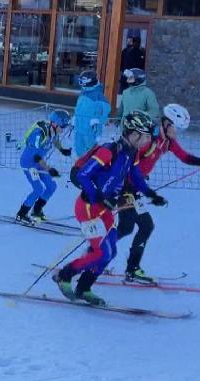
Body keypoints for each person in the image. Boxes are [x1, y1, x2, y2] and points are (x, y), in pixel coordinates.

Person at [54, 111, 167, 306]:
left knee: (111, 251)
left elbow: (137, 178)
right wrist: (98, 196)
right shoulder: (109, 150)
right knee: (101, 253)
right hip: (88, 207)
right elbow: (83, 176)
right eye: (146, 136)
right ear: (133, 134)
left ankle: (84, 288)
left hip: (104, 209)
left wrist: (152, 195)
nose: (148, 140)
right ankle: (65, 275)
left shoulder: (131, 154)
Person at [116, 104, 200, 283]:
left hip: (136, 189)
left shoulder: (167, 141)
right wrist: (147, 192)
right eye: (175, 128)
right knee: (126, 228)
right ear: (166, 124)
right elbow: (129, 163)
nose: (177, 133)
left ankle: (132, 268)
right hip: (125, 187)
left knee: (145, 226)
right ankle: (96, 255)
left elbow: (184, 156)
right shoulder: (149, 139)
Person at [15, 109, 72, 224]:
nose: (64, 129)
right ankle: (21, 213)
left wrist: (62, 150)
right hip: (29, 163)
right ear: (55, 123)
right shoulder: (38, 134)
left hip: (39, 163)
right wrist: (49, 169)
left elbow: (54, 140)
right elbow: (36, 156)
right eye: (63, 126)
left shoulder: (53, 130)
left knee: (51, 186)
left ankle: (37, 210)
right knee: (38, 189)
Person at [73, 70, 111, 156]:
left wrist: (98, 121)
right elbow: (79, 107)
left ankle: (90, 167)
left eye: (83, 81)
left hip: (90, 129)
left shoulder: (98, 95)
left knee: (91, 151)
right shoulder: (83, 92)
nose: (81, 84)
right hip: (79, 127)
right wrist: (75, 117)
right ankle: (79, 166)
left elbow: (106, 110)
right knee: (79, 150)